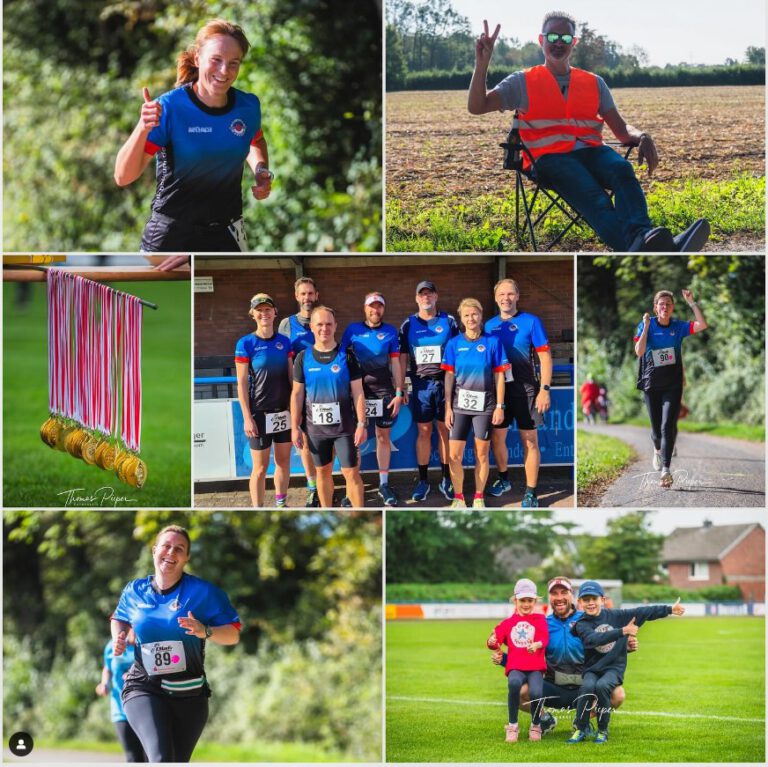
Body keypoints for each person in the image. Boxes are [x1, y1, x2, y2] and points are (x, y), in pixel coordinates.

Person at [468, 13, 710, 253]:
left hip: (592, 152)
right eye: (552, 36)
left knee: (621, 169)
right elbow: (477, 107)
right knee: (592, 193)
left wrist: (642, 136)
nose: (558, 42)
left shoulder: (594, 83)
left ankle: (642, 239)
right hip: (548, 159)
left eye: (565, 36)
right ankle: (655, 247)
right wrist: (482, 64)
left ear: (574, 42)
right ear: (541, 40)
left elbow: (622, 129)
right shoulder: (521, 81)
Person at [114, 19, 273, 252]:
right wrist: (142, 127)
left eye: (233, 63)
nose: (224, 71)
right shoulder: (168, 108)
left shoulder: (247, 106)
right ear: (198, 58)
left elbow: (254, 140)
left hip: (227, 232)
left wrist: (260, 170)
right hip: (170, 235)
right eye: (216, 60)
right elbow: (123, 176)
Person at [111, 526, 241, 762]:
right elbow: (118, 618)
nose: (171, 552)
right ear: (154, 551)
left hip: (189, 693)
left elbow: (233, 635)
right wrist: (118, 637)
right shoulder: (135, 590)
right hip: (143, 686)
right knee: (161, 758)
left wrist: (206, 631)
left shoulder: (204, 592)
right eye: (166, 546)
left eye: (179, 549)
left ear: (187, 557)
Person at [494, 577, 635, 737]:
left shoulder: (587, 620)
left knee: (617, 695)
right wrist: (503, 660)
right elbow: (523, 656)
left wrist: (625, 646)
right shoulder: (542, 624)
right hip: (553, 686)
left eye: (564, 592)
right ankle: (545, 718)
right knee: (520, 692)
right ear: (549, 598)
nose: (559, 597)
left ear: (572, 595)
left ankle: (582, 719)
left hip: (585, 687)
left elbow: (604, 645)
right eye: (554, 593)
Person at [568, 580, 685, 745]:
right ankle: (581, 728)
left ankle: (602, 731)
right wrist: (623, 631)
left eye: (594, 598)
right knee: (587, 687)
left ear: (602, 599)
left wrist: (669, 609)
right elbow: (593, 640)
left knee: (602, 687)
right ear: (579, 603)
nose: (590, 603)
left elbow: (643, 611)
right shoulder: (581, 625)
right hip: (592, 669)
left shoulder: (616, 616)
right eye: (586, 600)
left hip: (613, 668)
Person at [290, 306, 367, 507]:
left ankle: (357, 515)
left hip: (344, 429)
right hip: (316, 430)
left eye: (329, 324)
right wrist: (294, 427)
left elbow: (358, 392)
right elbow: (297, 394)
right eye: (320, 324)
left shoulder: (347, 356)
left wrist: (361, 424)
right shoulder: (302, 358)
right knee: (322, 472)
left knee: (351, 473)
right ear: (312, 328)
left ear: (335, 326)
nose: (324, 328)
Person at [485, 279, 552, 508]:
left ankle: (531, 492)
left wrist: (544, 389)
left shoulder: (531, 322)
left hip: (527, 391)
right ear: (496, 298)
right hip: (499, 394)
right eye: (501, 294)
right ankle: (504, 480)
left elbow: (545, 357)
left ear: (518, 296)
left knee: (529, 441)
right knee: (497, 438)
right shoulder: (488, 326)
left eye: (510, 294)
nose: (506, 298)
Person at [634, 289, 708, 487]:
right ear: (655, 308)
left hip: (673, 385)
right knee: (656, 431)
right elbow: (639, 352)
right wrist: (647, 327)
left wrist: (691, 302)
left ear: (672, 307)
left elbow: (702, 325)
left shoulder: (678, 326)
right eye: (661, 304)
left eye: (668, 304)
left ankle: (666, 470)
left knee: (668, 427)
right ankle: (657, 450)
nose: (664, 307)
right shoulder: (645, 324)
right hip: (651, 384)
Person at [442, 298, 509, 508]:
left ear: (481, 316)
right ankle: (459, 497)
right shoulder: (453, 344)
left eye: (475, 314)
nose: (471, 318)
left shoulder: (493, 342)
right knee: (454, 455)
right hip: (459, 407)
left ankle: (479, 496)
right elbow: (449, 378)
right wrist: (447, 408)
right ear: (461, 319)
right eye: (467, 315)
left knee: (481, 453)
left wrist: (499, 406)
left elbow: (500, 377)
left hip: (485, 406)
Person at [341, 292, 406, 506]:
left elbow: (395, 364)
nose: (375, 310)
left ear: (383, 310)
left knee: (382, 437)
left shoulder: (390, 331)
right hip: (358, 391)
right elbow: (341, 359)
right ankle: (353, 487)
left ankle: (384, 484)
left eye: (379, 307)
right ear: (365, 308)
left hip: (384, 392)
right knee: (356, 439)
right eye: (371, 306)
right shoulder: (352, 330)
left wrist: (399, 391)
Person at [399, 280, 459, 502]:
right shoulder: (408, 324)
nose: (426, 297)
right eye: (422, 294)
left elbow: (456, 352)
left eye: (430, 293)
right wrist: (403, 384)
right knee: (424, 432)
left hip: (445, 383)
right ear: (416, 298)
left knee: (444, 430)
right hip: (421, 385)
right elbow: (402, 357)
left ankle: (446, 479)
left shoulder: (449, 321)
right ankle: (423, 481)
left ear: (436, 296)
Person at [235, 293, 293, 508]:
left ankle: (281, 503)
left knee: (283, 461)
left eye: (268, 309)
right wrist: (247, 417)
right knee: (259, 468)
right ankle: (257, 508)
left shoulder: (284, 342)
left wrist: (294, 409)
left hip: (283, 411)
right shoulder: (246, 343)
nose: (264, 313)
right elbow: (241, 383)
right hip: (259, 412)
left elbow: (290, 377)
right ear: (253, 314)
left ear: (275, 312)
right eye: (259, 310)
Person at [487, 578, 549, 743]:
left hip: (536, 667)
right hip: (516, 666)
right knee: (513, 683)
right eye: (522, 600)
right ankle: (512, 725)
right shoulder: (508, 623)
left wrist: (537, 644)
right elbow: (495, 640)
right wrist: (492, 641)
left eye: (530, 600)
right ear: (515, 600)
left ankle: (536, 725)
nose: (526, 604)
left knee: (536, 693)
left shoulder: (540, 620)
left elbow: (545, 638)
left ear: (535, 601)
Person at [279, 277, 321, 507]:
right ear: (297, 296)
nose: (307, 298)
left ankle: (325, 483)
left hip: (325, 389)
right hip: (300, 391)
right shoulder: (287, 324)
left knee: (328, 440)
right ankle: (312, 487)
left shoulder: (324, 318)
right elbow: (282, 357)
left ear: (317, 295)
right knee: (304, 441)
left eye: (310, 293)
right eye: (303, 294)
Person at [96, 629, 147, 762]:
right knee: (133, 757)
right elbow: (107, 668)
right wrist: (104, 684)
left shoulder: (147, 645)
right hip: (121, 709)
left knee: (150, 757)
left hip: (145, 709)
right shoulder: (113, 645)